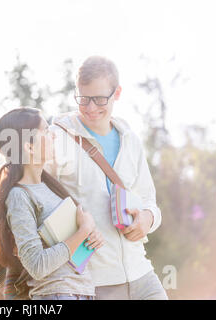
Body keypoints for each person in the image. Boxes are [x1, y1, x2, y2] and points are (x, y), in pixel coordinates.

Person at [44, 56, 168, 300]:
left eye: (100, 99)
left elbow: (149, 200)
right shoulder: (57, 138)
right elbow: (39, 204)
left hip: (142, 273)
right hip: (94, 282)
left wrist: (148, 217)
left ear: (117, 93)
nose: (91, 108)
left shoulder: (130, 140)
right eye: (84, 99)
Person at [0, 107, 105, 300]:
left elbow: (70, 245)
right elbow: (37, 265)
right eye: (46, 131)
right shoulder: (19, 196)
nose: (54, 137)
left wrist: (90, 237)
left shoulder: (50, 187)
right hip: (56, 295)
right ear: (29, 147)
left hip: (82, 292)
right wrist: (83, 231)